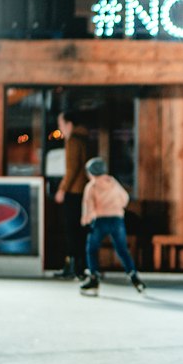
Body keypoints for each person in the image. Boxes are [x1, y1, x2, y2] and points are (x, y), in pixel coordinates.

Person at [78, 157, 145, 296]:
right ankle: (133, 276)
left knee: (92, 249)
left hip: (100, 220)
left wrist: (86, 220)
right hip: (116, 219)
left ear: (91, 172)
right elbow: (125, 198)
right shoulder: (113, 183)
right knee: (122, 249)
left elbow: (88, 206)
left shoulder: (92, 186)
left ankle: (94, 277)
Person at [52, 107, 90, 279]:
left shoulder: (73, 141)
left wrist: (62, 189)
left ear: (69, 124)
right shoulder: (82, 139)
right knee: (78, 230)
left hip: (74, 191)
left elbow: (72, 168)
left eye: (61, 124)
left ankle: (74, 266)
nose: (59, 127)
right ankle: (78, 266)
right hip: (81, 191)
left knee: (72, 229)